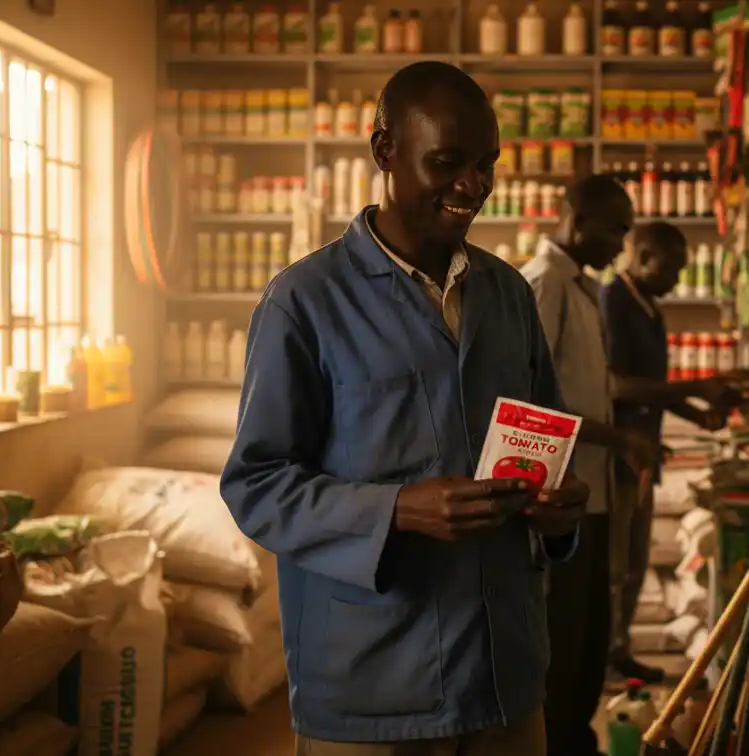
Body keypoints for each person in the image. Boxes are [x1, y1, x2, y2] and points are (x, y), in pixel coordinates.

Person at [219, 61, 590, 756]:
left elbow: (548, 442)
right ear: (385, 150)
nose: (472, 186)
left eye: (487, 164)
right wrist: (395, 511)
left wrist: (560, 507)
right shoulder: (303, 302)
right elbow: (257, 486)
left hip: (503, 677)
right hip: (373, 690)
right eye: (447, 162)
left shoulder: (508, 296)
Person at [518, 176, 659, 756]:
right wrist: (618, 435)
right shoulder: (544, 283)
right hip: (559, 501)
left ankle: (577, 740)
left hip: (591, 492)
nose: (621, 244)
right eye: (615, 229)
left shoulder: (580, 287)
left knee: (589, 636)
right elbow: (529, 404)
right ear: (576, 217)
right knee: (562, 639)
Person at [602, 221, 749, 684]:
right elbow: (617, 385)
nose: (678, 280)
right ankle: (602, 659)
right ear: (644, 257)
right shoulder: (614, 303)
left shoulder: (650, 308)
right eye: (671, 268)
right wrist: (698, 388)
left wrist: (696, 411)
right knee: (614, 565)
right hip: (617, 452)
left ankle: (619, 650)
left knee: (634, 563)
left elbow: (656, 386)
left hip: (645, 451)